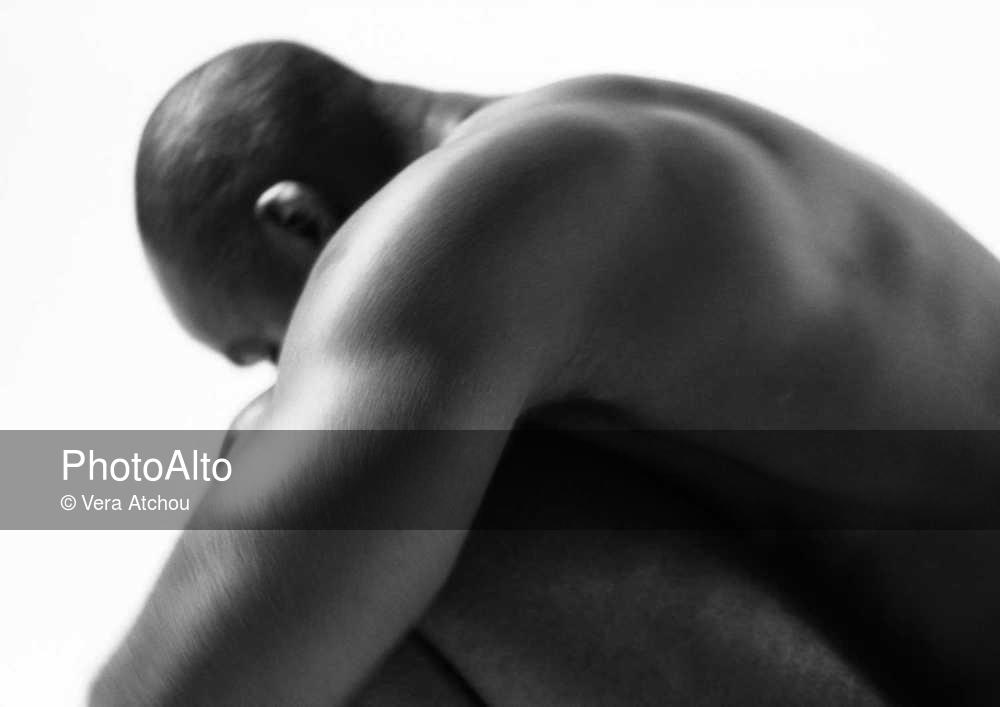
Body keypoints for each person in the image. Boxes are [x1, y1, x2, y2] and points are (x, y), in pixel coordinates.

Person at [91, 40, 1000, 705]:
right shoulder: (608, 141)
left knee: (303, 481)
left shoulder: (464, 218)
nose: (292, 365)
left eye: (266, 343)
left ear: (295, 220)